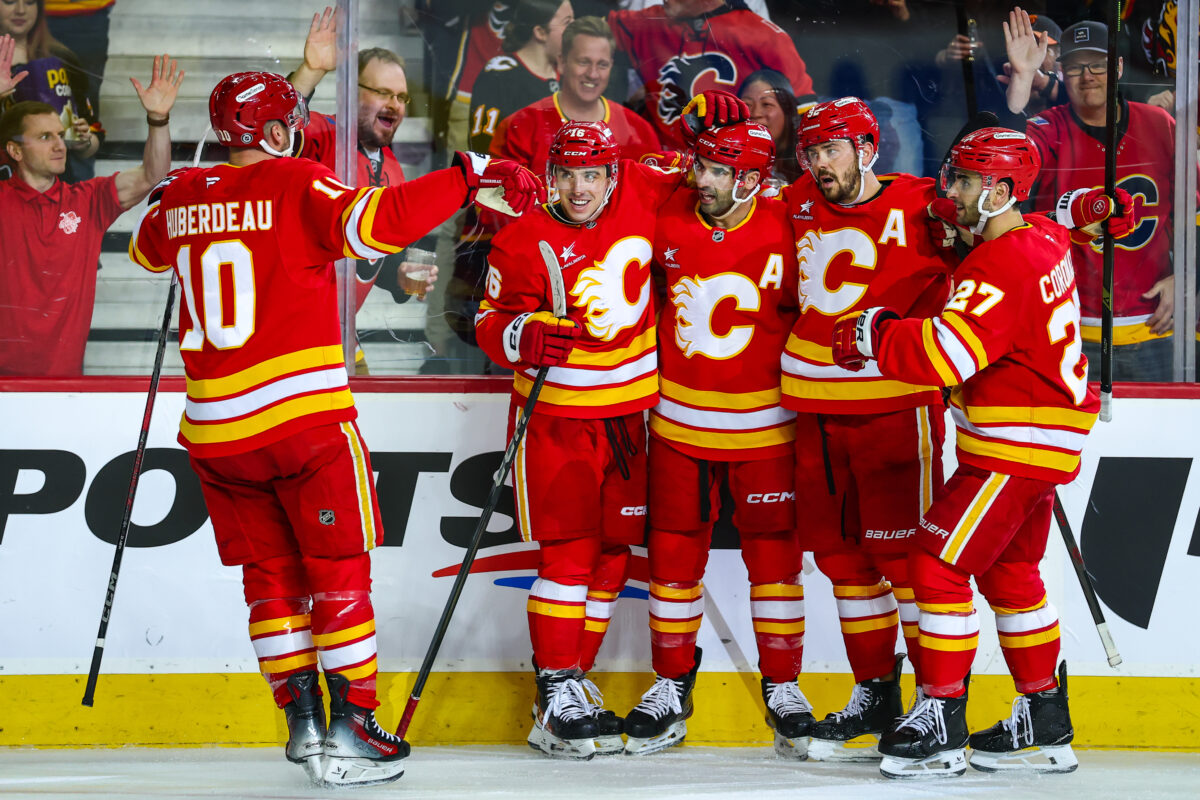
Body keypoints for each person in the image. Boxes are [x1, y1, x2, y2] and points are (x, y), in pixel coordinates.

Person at [128, 70, 539, 786]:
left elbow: (146, 250)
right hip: (302, 422)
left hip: (215, 434)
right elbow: (380, 221)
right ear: (280, 130)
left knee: (270, 580)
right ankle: (354, 726)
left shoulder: (184, 196)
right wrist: (468, 174)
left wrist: (183, 195)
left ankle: (303, 723)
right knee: (337, 573)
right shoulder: (298, 182)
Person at [832, 127, 1097, 779]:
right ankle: (1045, 715)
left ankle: (942, 717)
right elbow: (1053, 223)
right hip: (1039, 439)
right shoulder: (1040, 237)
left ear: (1001, 189)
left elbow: (941, 356)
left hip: (1014, 446)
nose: (951, 192)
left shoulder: (999, 265)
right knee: (1012, 577)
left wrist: (876, 332)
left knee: (936, 566)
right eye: (952, 177)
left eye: (965, 181)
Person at [473, 113, 728, 759]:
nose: (580, 188)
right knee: (568, 555)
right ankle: (555, 688)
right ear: (549, 175)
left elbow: (707, 181)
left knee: (614, 552)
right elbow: (488, 320)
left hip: (631, 418)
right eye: (566, 175)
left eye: (592, 175)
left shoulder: (644, 187)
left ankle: (568, 685)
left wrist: (709, 141)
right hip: (558, 422)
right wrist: (520, 337)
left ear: (614, 173)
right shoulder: (523, 240)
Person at [778, 97, 959, 762]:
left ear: (867, 146)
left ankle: (933, 700)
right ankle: (874, 692)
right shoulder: (792, 201)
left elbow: (1001, 244)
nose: (819, 163)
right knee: (842, 562)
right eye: (811, 150)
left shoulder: (922, 206)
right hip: (816, 413)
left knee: (907, 563)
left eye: (832, 148)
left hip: (895, 406)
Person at [626, 119, 812, 758]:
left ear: (753, 180)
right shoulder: (667, 202)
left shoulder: (792, 216)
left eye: (715, 170)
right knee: (673, 560)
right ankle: (671, 684)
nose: (699, 179)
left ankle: (783, 684)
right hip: (677, 418)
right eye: (699, 165)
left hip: (766, 422)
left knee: (775, 562)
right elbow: (600, 185)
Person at [0, 49, 179, 376]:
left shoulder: (87, 200)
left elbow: (153, 175)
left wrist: (158, 119)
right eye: (44, 137)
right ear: (14, 150)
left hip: (64, 387)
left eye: (59, 134)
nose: (59, 145)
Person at [287, 7, 436, 374]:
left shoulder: (395, 171)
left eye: (401, 97)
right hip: (290, 339)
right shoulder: (321, 135)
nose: (395, 105)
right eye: (383, 92)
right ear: (350, 92)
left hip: (340, 339)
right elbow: (273, 130)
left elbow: (373, 260)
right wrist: (312, 71)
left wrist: (400, 277)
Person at [607, 0, 816, 149]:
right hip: (663, 167)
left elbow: (806, 118)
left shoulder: (765, 37)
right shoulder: (649, 21)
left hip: (731, 166)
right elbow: (587, 34)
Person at [490, 15, 660, 172]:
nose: (593, 74)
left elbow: (655, 199)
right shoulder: (520, 127)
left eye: (602, 64)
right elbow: (495, 200)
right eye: (583, 62)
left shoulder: (640, 133)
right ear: (562, 62)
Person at [0, 0, 100, 182]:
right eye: (10, 1)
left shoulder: (62, 58)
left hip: (55, 188)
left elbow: (92, 135)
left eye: (30, 3)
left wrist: (83, 141)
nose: (21, 10)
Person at [469, 0, 572, 154]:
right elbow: (482, 147)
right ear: (540, 32)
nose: (576, 31)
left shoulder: (571, 74)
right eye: (567, 23)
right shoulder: (500, 75)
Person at [738, 68, 801, 184]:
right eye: (747, 104)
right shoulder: (726, 166)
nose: (756, 113)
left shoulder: (807, 166)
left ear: (788, 111)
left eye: (766, 104)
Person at [999, 8, 1065, 117]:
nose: (1030, 59)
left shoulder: (1074, 100)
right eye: (1022, 51)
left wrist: (1044, 83)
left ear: (1061, 58)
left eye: (1041, 49)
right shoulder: (1000, 93)